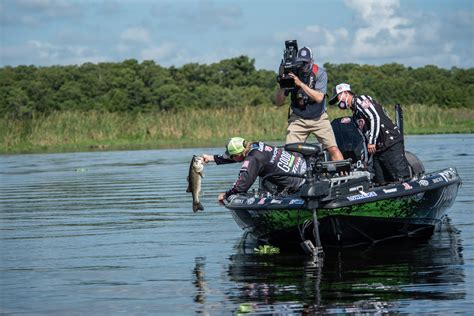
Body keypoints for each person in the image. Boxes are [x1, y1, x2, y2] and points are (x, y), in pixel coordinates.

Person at [328, 83, 410, 185]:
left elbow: (375, 117)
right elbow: (363, 136)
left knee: (401, 177)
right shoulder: (355, 114)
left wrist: (372, 142)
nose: (338, 102)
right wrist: (366, 158)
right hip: (377, 149)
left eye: (338, 97)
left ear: (345, 93)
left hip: (390, 143)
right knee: (380, 180)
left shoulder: (361, 100)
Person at [275, 46, 344, 162]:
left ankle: (343, 173)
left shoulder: (320, 73)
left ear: (312, 61)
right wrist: (283, 84)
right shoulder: (293, 73)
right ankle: (290, 177)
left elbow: (319, 98)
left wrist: (300, 84)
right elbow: (279, 102)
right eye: (300, 63)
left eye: (306, 62)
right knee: (290, 152)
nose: (303, 65)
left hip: (319, 118)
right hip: (298, 118)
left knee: (333, 148)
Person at [202, 137, 307, 204]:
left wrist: (226, 195)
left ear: (238, 154)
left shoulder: (253, 159)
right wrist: (212, 158)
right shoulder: (257, 146)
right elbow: (240, 158)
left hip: (296, 185)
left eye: (232, 156)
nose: (231, 158)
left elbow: (242, 185)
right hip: (303, 171)